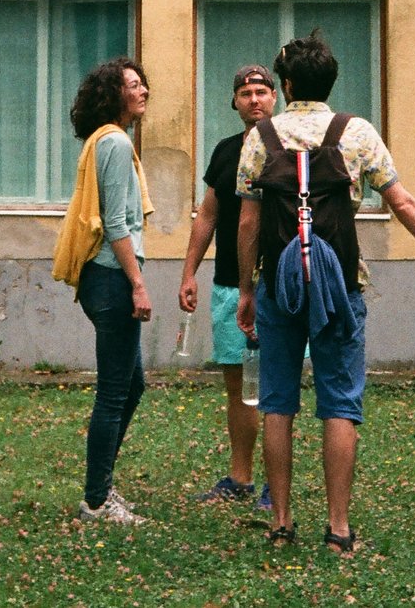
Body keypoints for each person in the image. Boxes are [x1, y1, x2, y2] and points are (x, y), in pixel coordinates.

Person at [236, 31, 415, 556]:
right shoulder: (356, 133)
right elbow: (404, 203)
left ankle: (282, 522)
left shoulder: (260, 137)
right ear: (330, 82)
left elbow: (247, 223)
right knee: (340, 403)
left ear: (285, 86)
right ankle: (338, 529)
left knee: (278, 402)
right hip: (340, 284)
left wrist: (247, 289)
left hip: (278, 288)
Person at [176, 63, 279, 505]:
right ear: (234, 102)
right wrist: (188, 272)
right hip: (227, 287)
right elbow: (208, 216)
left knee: (277, 387)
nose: (254, 99)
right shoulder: (223, 152)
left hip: (277, 285)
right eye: (245, 93)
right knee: (238, 389)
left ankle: (278, 485)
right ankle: (240, 480)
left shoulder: (291, 149)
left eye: (261, 91)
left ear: (275, 98)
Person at [57, 58, 153, 525]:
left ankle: (102, 485)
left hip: (109, 276)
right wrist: (138, 283)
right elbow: (115, 222)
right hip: (114, 277)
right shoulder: (114, 142)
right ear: (112, 96)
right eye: (132, 85)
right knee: (115, 391)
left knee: (132, 384)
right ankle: (96, 499)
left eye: (142, 84)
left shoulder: (112, 141)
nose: (142, 91)